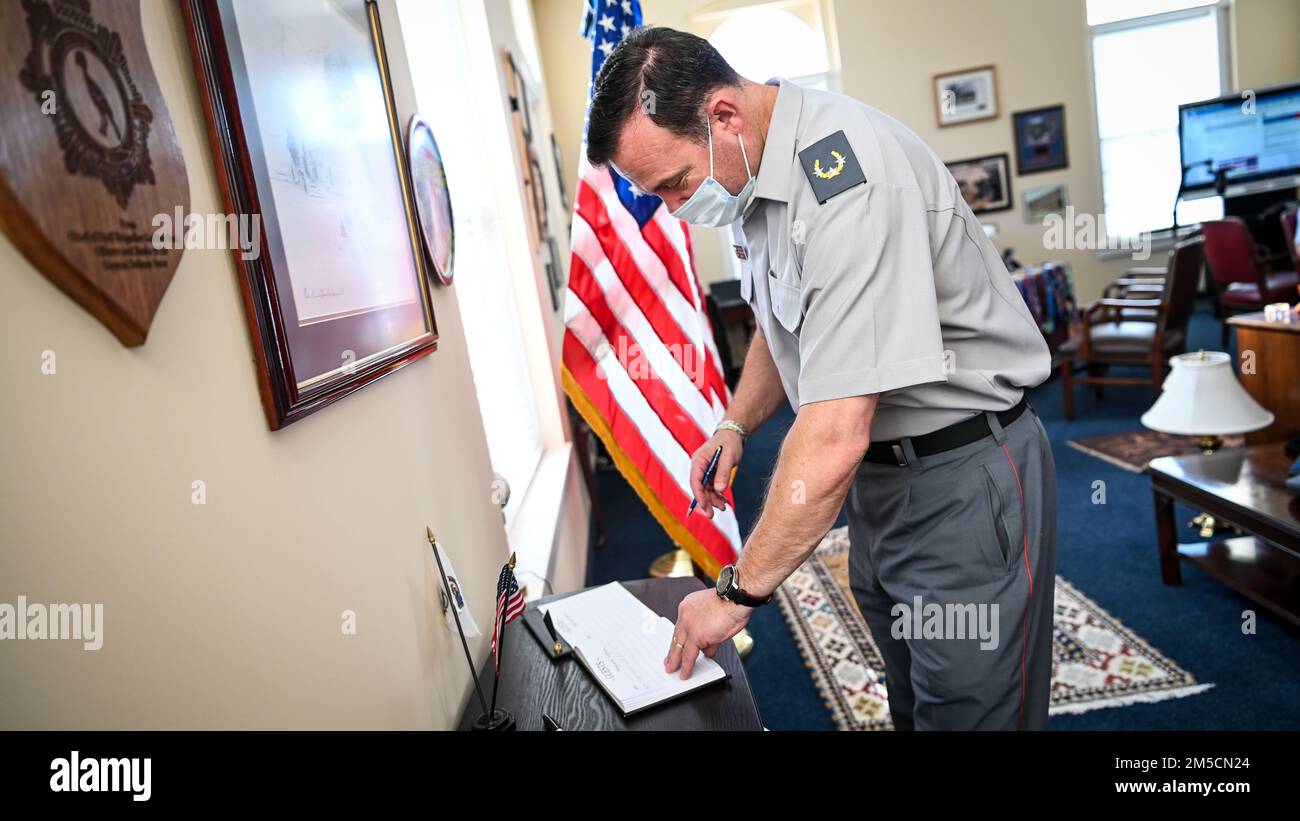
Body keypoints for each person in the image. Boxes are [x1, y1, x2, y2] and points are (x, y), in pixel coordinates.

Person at [583, 26, 1057, 730]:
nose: (677, 209)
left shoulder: (843, 180)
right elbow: (788, 328)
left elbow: (835, 433)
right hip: (883, 485)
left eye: (675, 185)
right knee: (917, 698)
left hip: (964, 473)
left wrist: (734, 594)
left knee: (972, 712)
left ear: (723, 116)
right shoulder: (752, 173)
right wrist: (735, 423)